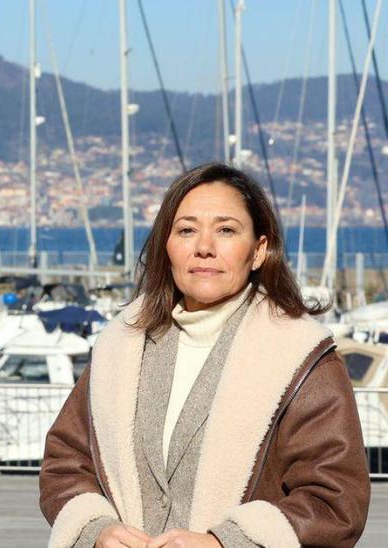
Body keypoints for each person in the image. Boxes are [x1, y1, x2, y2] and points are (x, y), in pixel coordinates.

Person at [40, 163, 370, 548]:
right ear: (167, 245)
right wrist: (95, 529)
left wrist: (225, 542)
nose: (204, 247)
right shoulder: (120, 344)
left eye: (226, 230)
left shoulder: (301, 357)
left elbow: (334, 501)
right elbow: (65, 462)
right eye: (186, 230)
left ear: (260, 250)